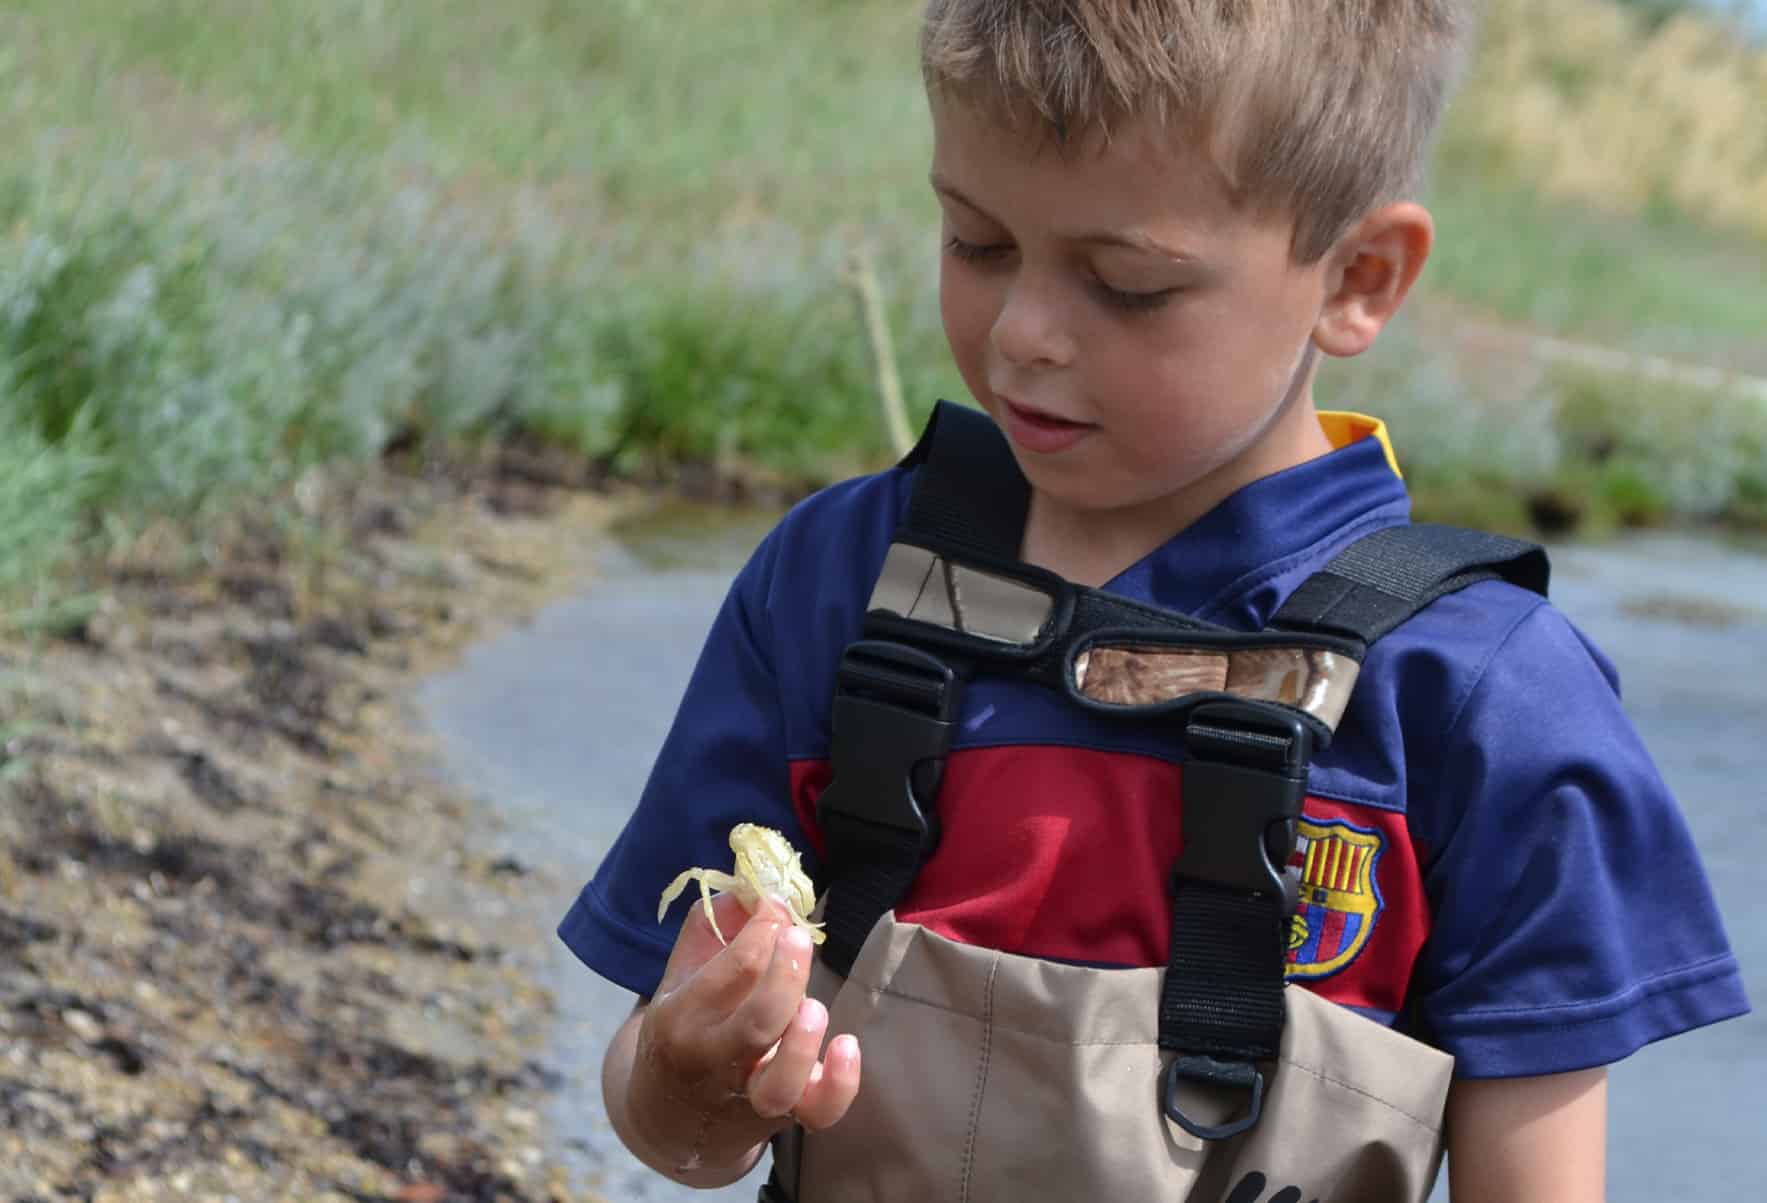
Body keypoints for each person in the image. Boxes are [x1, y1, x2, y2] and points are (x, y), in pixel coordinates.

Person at [559, 1, 1749, 1199]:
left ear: (1359, 279)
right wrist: (686, 1071)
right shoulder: (835, 582)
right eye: (976, 242)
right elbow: (680, 1138)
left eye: (1126, 284)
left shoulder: (1490, 701)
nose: (1024, 333)